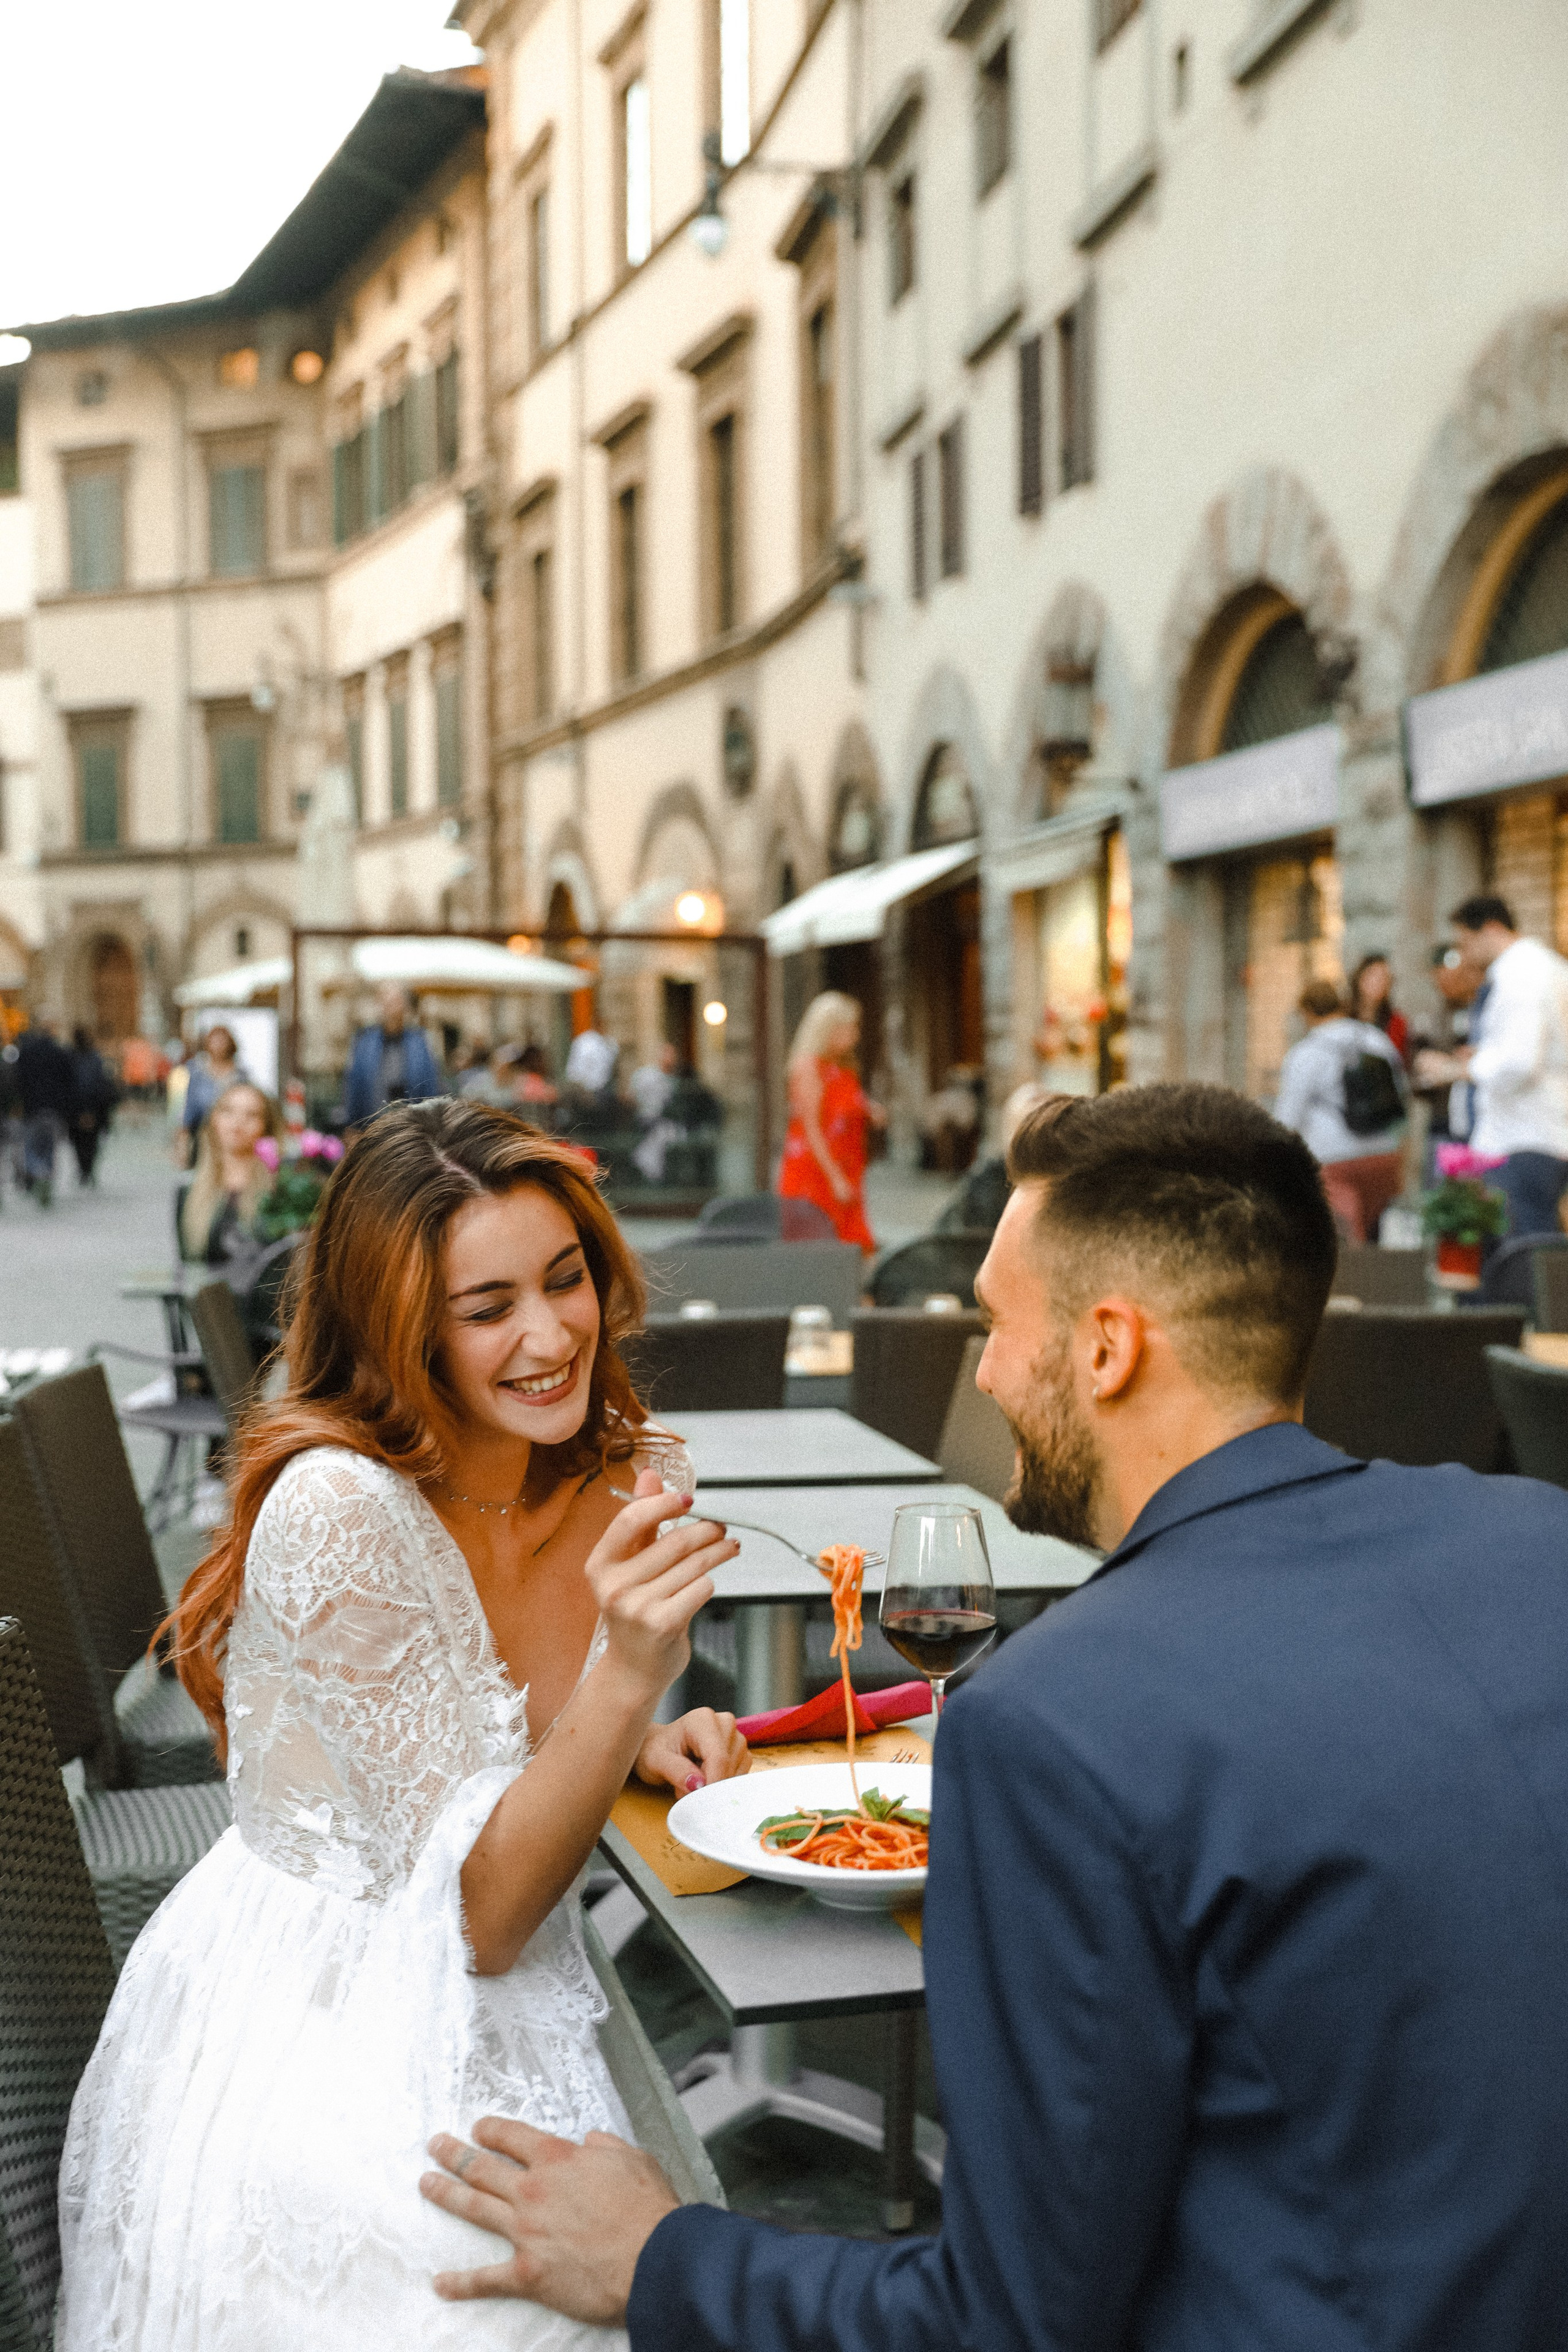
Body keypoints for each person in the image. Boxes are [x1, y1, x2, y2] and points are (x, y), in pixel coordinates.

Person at [418, 1081, 1568, 2350]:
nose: (980, 1370)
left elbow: (1010, 2323)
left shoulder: (1052, 1726)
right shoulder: (1541, 1542)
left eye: (993, 1323)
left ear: (1106, 1347)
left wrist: (659, 2258)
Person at [55, 1099, 747, 2348]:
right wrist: (625, 1679)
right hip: (326, 2004)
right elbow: (474, 1922)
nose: (549, 1336)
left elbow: (494, 1739)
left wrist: (627, 1733)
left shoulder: (629, 1477)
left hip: (513, 1952)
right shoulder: (338, 1511)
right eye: (486, 1310)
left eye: (565, 1279)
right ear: (399, 1331)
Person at [1438, 894, 1568, 1241]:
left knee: (1526, 1258)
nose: (1464, 953)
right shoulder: (1545, 967)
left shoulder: (1520, 974)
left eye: (1465, 941)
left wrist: (1459, 1069)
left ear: (1490, 929)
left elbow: (1520, 1061)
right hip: (1540, 1135)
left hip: (1523, 1137)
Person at [1273, 976, 1407, 1241]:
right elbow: (1400, 1091)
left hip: (1334, 1159)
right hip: (1384, 1155)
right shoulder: (1376, 1039)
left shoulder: (1307, 1052)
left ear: (1307, 1012)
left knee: (1346, 1241)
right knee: (1378, 1240)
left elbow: (1288, 1118)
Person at [776, 991, 886, 1251]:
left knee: (853, 1248)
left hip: (848, 1168)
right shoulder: (809, 1068)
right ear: (829, 1030)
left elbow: (842, 1109)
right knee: (820, 1247)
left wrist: (869, 1111)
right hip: (818, 1175)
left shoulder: (842, 1067)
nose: (855, 1035)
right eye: (849, 1028)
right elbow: (811, 1130)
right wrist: (835, 1178)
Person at [178, 1079, 287, 1265]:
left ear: (266, 1127)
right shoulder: (187, 1191)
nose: (238, 1123)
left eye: (252, 1115)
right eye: (228, 1111)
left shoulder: (282, 1188)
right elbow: (188, 1264)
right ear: (214, 1120)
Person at [344, 984, 443, 1128]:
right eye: (385, 1002)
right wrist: (352, 1126)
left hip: (412, 1125)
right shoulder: (364, 1041)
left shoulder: (420, 1041)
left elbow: (432, 1084)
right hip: (373, 1125)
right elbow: (354, 1084)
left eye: (395, 1002)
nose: (390, 1007)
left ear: (405, 1006)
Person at [11, 1011, 77, 1207]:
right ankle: (46, 1174)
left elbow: (18, 1080)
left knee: (31, 1147)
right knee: (49, 1147)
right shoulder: (61, 1052)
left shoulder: (27, 1052)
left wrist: (18, 1103)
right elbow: (70, 1083)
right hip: (55, 1108)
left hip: (32, 1107)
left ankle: (39, 1172)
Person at [180, 1023, 245, 1149]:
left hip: (231, 1134)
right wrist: (184, 1136)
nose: (218, 1046)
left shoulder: (239, 1075)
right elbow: (190, 1104)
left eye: (222, 1041)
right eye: (214, 1041)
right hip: (203, 1133)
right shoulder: (199, 1072)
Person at [67, 1024, 117, 1185]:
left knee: (81, 1141)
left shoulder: (73, 1057)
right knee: (89, 1141)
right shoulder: (92, 1058)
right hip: (91, 1108)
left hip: (80, 1108)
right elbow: (101, 1084)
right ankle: (86, 1170)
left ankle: (85, 1170)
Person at [1348, 949, 1409, 1060]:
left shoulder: (1397, 1023)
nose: (1379, 981)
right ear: (1359, 977)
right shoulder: (1343, 1017)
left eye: (1385, 976)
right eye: (1373, 975)